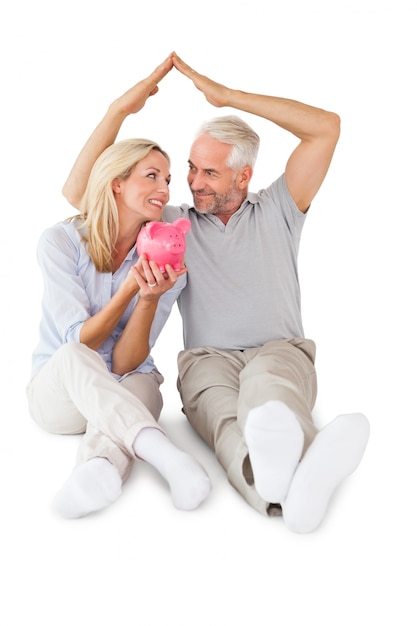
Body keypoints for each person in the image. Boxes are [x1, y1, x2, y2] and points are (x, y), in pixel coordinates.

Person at [61, 52, 370, 533]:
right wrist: (118, 111)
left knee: (271, 393)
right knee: (226, 426)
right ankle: (293, 490)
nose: (192, 182)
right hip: (206, 359)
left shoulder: (280, 208)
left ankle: (289, 462)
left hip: (278, 348)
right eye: (191, 169)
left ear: (243, 177)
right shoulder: (174, 225)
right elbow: (85, 192)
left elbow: (326, 127)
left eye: (209, 173)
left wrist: (229, 98)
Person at [26, 134, 211, 519]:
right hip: (62, 393)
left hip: (123, 384)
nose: (164, 189)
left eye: (168, 179)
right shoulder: (60, 242)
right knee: (74, 352)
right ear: (117, 182)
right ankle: (162, 452)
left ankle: (97, 473)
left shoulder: (167, 256)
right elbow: (81, 341)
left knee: (144, 385)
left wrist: (147, 298)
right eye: (152, 175)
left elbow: (126, 364)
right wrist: (128, 288)